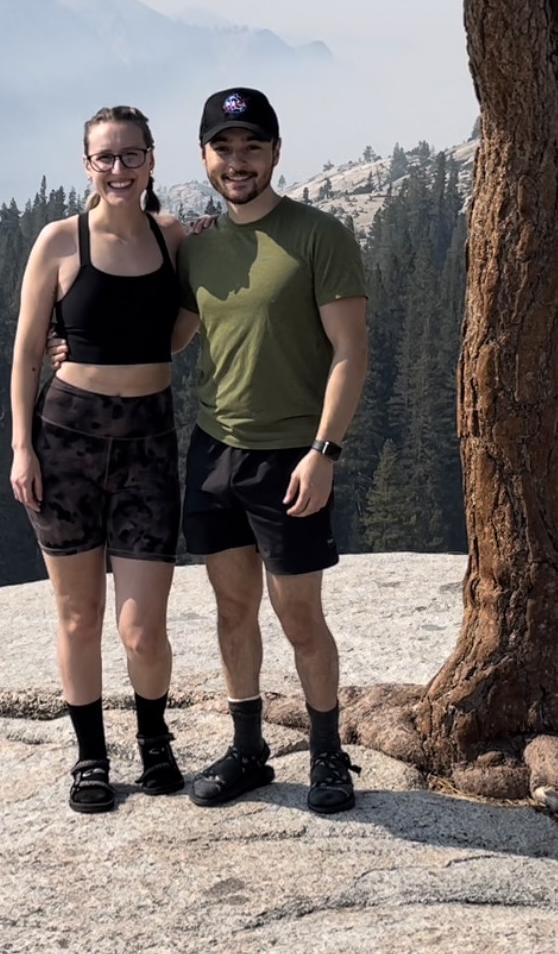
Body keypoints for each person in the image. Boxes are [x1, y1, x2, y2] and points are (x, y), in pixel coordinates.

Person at [173, 86, 369, 814]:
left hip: (289, 454)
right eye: (223, 148)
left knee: (299, 616)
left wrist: (324, 450)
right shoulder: (199, 248)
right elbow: (175, 338)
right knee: (231, 610)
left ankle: (327, 755)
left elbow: (351, 353)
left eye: (252, 146)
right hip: (213, 450)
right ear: (204, 156)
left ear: (277, 152)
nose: (238, 161)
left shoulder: (319, 236)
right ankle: (249, 749)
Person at [9, 104, 193, 814]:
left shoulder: (174, 236)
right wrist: (23, 446)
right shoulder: (58, 242)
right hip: (67, 438)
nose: (119, 169)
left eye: (131, 155)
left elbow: (174, 334)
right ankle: (90, 755)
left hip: (149, 439)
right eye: (104, 157)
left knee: (143, 625)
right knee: (79, 615)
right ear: (86, 165)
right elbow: (28, 354)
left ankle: (154, 739)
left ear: (152, 159)